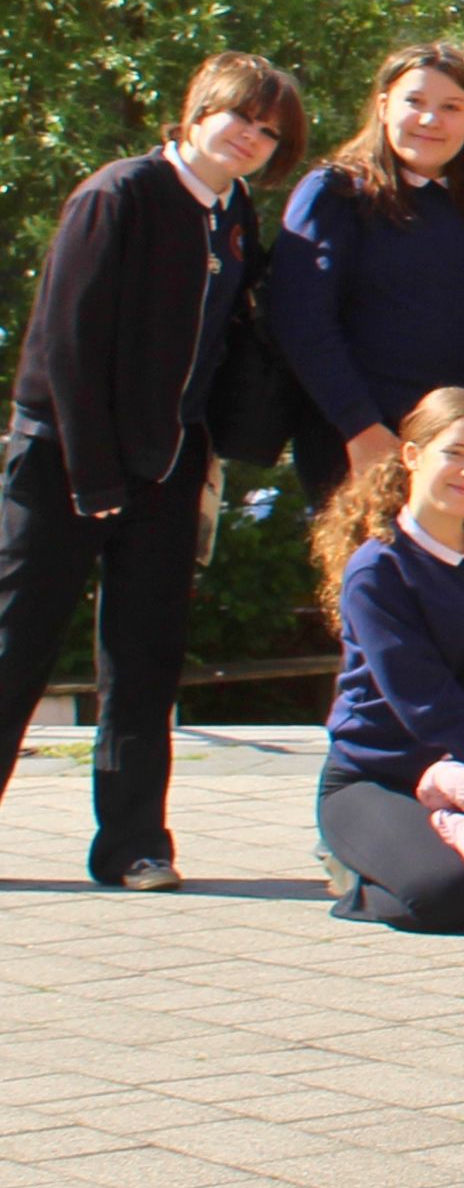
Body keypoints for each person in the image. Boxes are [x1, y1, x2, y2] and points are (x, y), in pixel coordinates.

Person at [0, 54, 303, 892]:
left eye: (268, 131)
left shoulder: (233, 213)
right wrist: (92, 473)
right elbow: (67, 341)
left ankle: (134, 843)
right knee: (17, 644)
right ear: (197, 109)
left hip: (169, 465)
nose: (250, 137)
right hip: (65, 459)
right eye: (240, 116)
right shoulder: (120, 193)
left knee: (145, 660)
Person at [313, 389, 464, 931]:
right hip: (383, 779)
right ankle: (355, 874)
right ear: (412, 455)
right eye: (456, 453)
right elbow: (426, 702)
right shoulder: (379, 570)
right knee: (448, 895)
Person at [268, 43, 464, 501]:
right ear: (383, 107)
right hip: (355, 444)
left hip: (461, 457)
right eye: (414, 101)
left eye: (451, 107)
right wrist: (360, 426)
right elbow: (301, 321)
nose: (430, 119)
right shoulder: (337, 194)